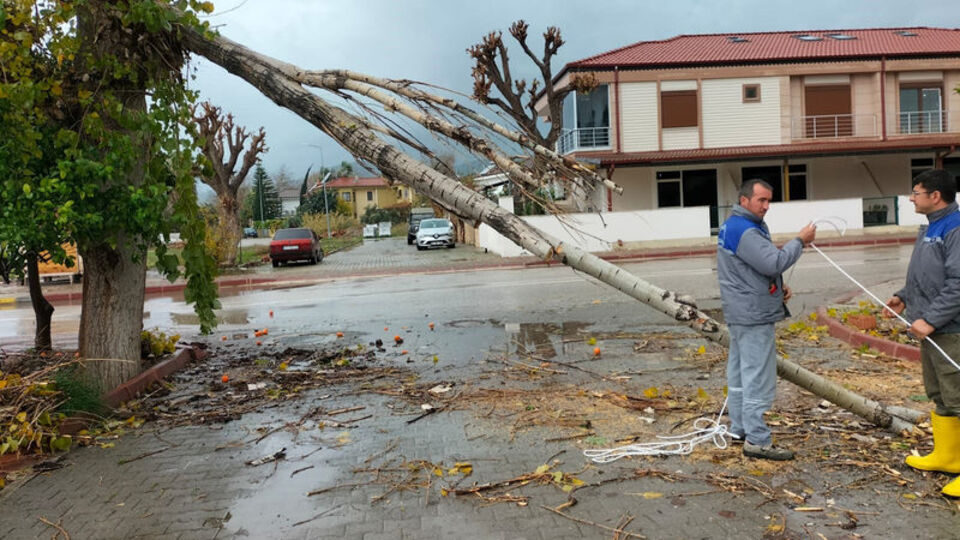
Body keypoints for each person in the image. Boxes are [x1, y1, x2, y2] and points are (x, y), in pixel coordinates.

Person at [717, 179, 816, 461]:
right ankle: (758, 440)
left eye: (768, 201)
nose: (766, 206)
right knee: (758, 376)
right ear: (744, 200)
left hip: (741, 311)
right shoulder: (745, 229)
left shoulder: (735, 225)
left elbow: (751, 268)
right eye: (761, 200)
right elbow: (772, 262)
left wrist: (774, 286)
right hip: (753, 313)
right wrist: (800, 241)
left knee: (739, 371)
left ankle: (740, 429)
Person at [884, 168, 960, 497]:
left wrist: (930, 319)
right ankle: (948, 456)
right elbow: (926, 275)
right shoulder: (932, 226)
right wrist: (904, 295)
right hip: (933, 329)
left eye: (916, 192)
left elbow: (958, 283)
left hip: (952, 329)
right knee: (939, 394)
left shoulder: (955, 228)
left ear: (935, 196)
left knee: (958, 396)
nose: (911, 198)